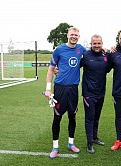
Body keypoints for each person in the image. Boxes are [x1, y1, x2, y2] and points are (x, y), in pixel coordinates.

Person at [44, 27, 86, 158]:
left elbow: (94, 53)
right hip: (60, 88)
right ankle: (55, 147)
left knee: (72, 116)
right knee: (57, 117)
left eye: (76, 35)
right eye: (72, 34)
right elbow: (51, 69)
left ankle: (71, 144)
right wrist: (48, 89)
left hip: (73, 88)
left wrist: (106, 50)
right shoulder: (59, 50)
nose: (74, 36)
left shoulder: (81, 49)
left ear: (79, 37)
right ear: (67, 35)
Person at [81, 34, 110, 154]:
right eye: (94, 43)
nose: (97, 45)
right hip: (88, 93)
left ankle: (95, 137)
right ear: (91, 44)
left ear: (102, 44)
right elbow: (72, 66)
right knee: (90, 117)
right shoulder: (86, 55)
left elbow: (111, 67)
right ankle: (89, 143)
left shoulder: (106, 56)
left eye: (99, 43)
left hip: (101, 92)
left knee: (96, 116)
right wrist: (57, 69)